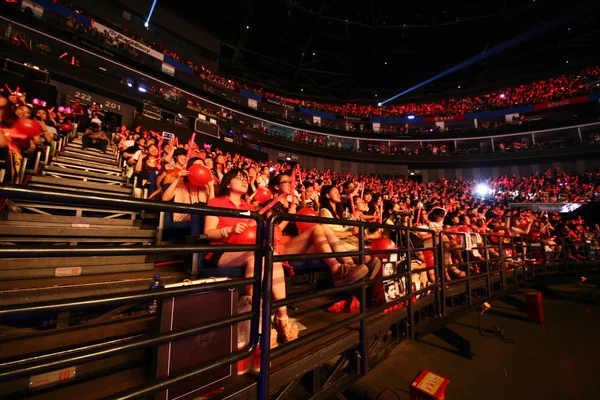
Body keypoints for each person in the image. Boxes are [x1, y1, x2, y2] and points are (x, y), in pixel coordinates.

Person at [204, 169, 298, 344]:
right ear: (228, 183)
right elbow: (208, 233)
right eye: (238, 178)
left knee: (270, 255)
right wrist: (229, 230)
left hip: (250, 249)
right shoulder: (216, 202)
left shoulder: (249, 208)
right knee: (255, 255)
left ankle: (281, 315)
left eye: (245, 178)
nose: (244, 181)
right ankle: (259, 321)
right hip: (222, 250)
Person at [267, 173, 370, 287]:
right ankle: (336, 269)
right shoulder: (270, 205)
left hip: (300, 243)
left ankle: (349, 265)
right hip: (282, 246)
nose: (290, 184)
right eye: (286, 182)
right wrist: (288, 216)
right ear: (277, 186)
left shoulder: (294, 205)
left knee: (324, 227)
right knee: (316, 228)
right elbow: (272, 232)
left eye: (291, 182)